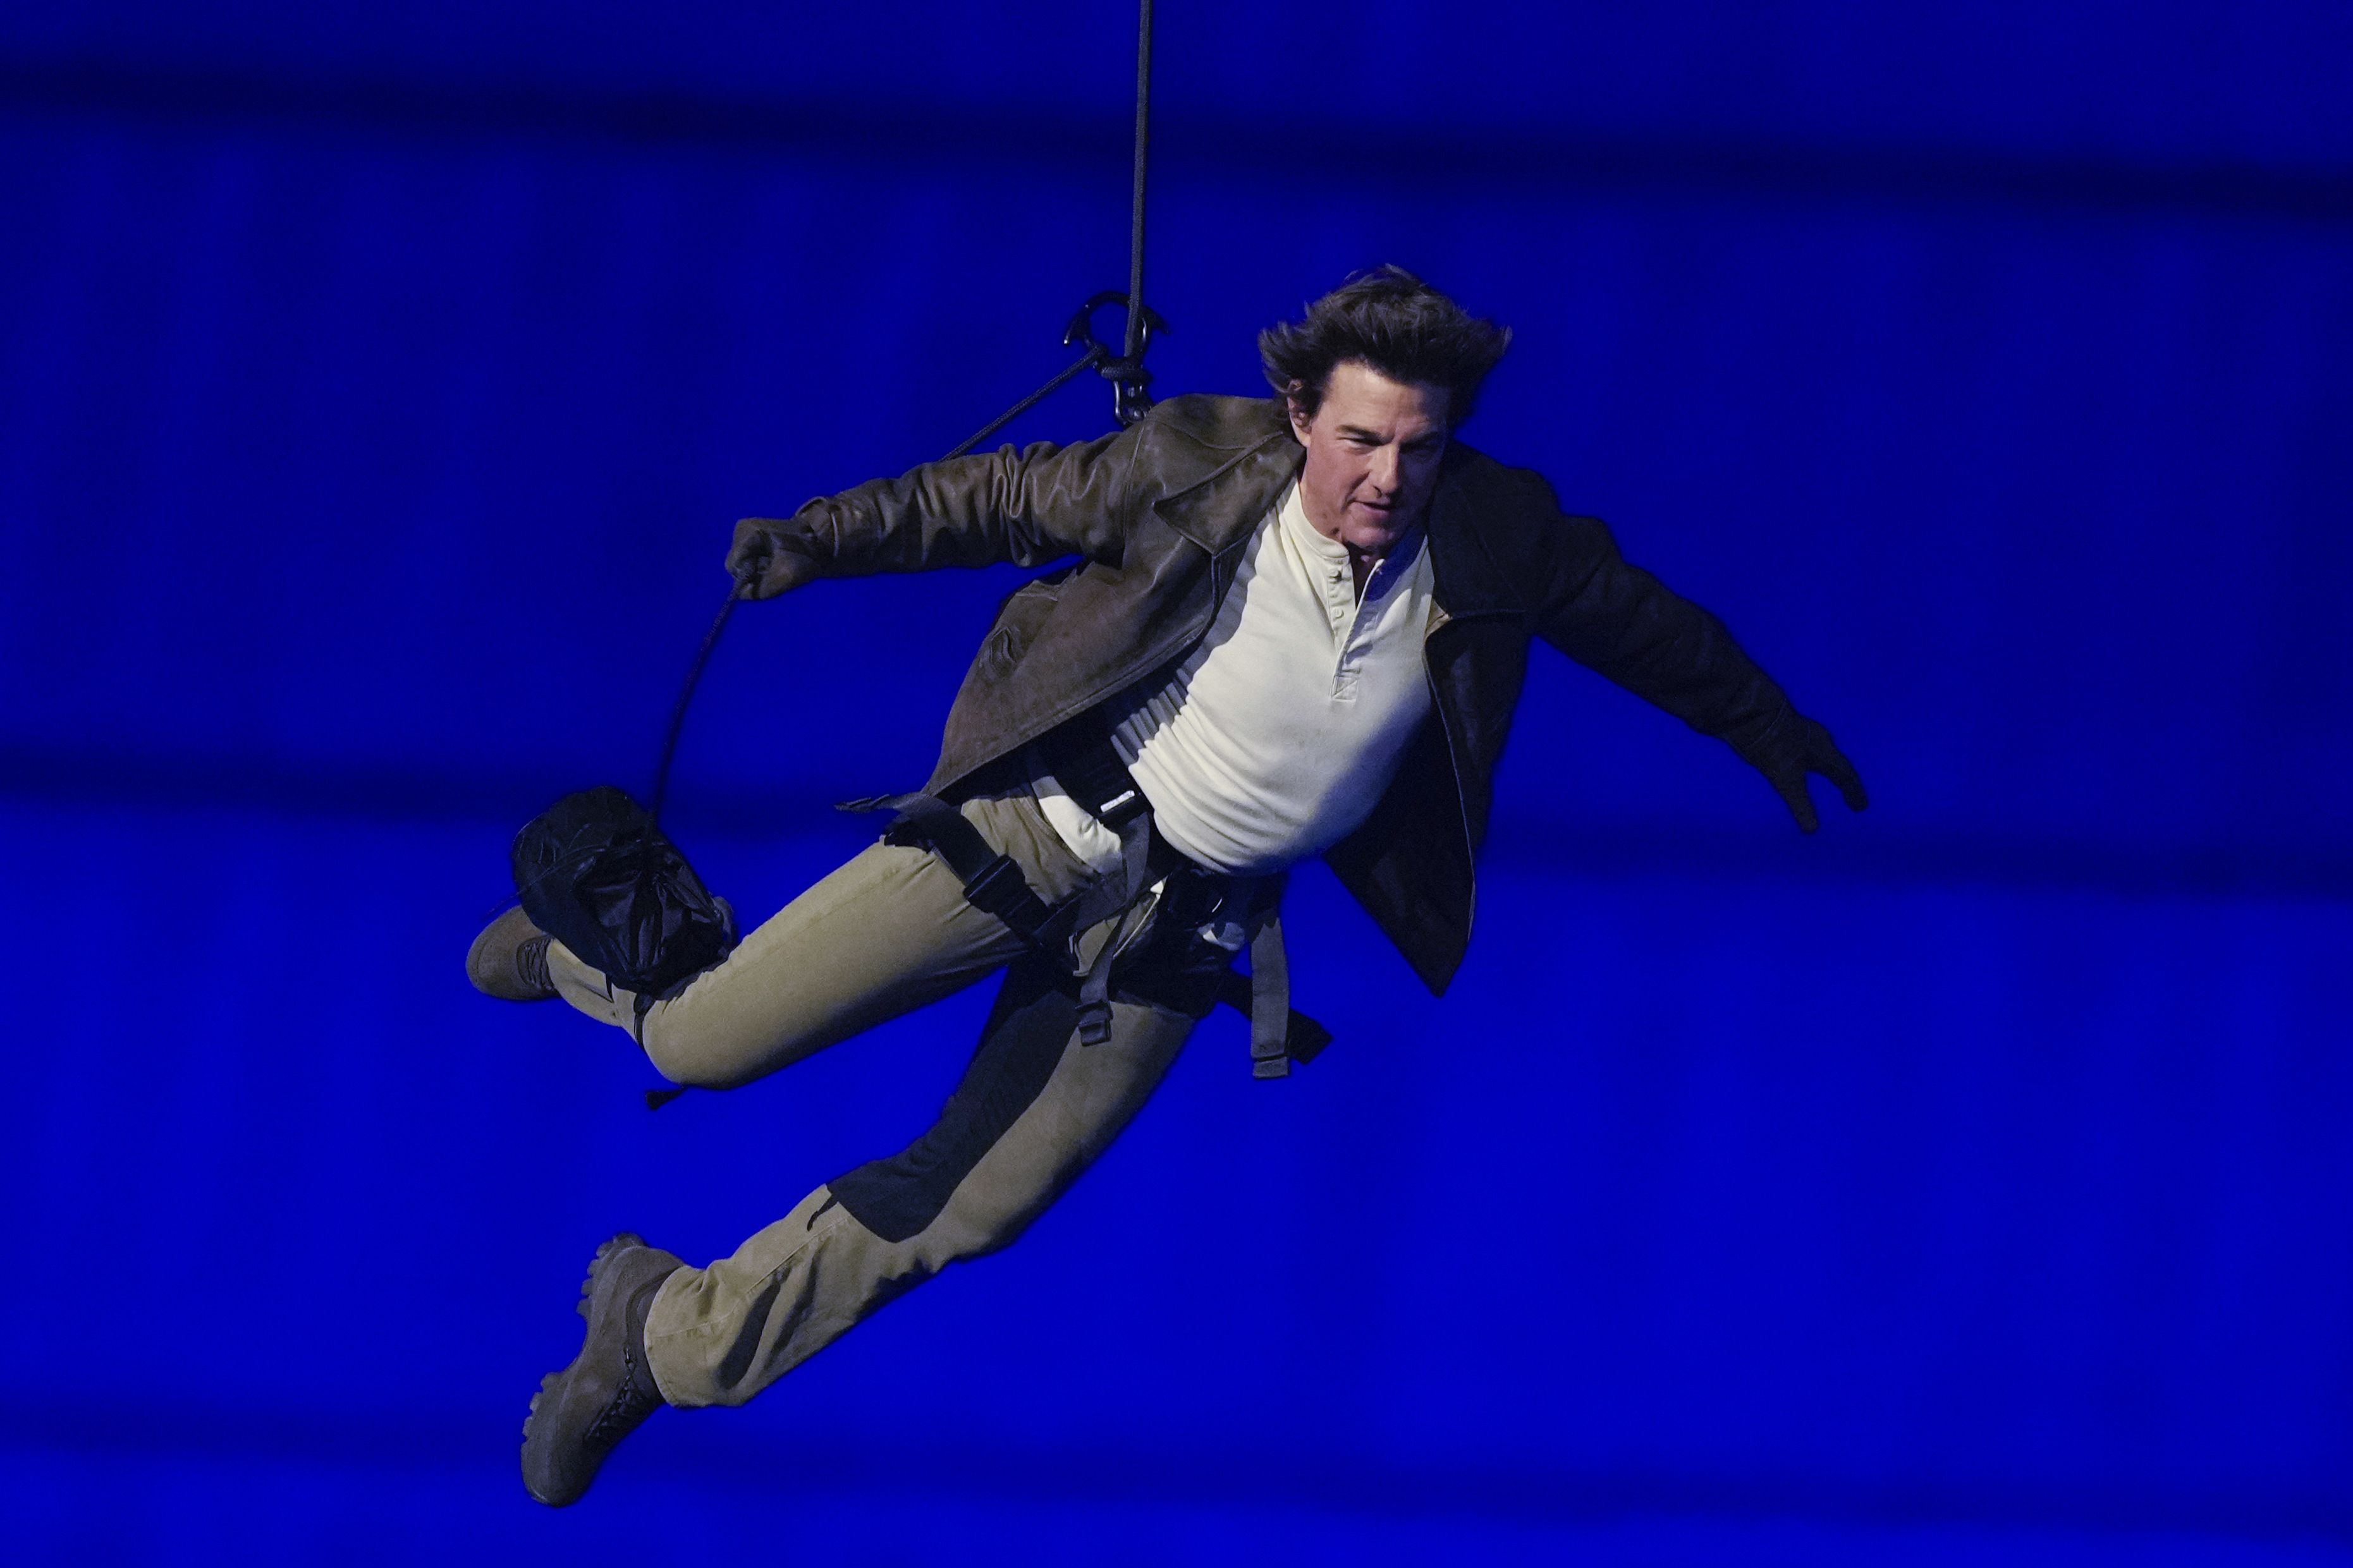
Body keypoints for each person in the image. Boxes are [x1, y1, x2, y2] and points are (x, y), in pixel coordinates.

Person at [466, 266, 1867, 1507]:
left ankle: (661, 1335)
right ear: (1302, 413)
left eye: (1418, 446)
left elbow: (1635, 617)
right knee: (704, 1037)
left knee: (982, 1201)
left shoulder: (1492, 532)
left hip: (1182, 924)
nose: (1387, 475)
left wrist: (1761, 720)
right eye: (1362, 437)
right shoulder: (1199, 460)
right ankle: (572, 960)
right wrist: (825, 536)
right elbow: (1000, 496)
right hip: (1034, 835)